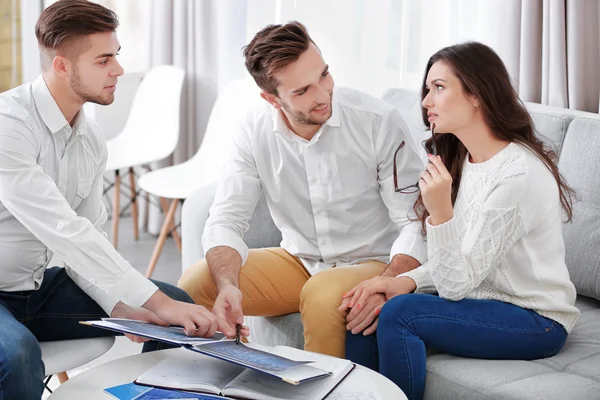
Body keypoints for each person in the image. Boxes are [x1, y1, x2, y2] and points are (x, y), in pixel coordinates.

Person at [0, 1, 233, 398]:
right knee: (17, 355)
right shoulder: (9, 126)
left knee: (175, 307)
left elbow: (90, 234)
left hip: (35, 289)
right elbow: (65, 231)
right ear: (62, 66)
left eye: (117, 56)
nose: (119, 70)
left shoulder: (89, 140)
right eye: (104, 60)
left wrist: (121, 304)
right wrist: (150, 298)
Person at [343, 41, 580, 400]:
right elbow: (463, 260)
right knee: (368, 306)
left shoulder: (517, 176)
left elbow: (456, 284)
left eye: (439, 88)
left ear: (476, 94)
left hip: (537, 320)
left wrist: (440, 211)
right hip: (482, 300)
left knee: (400, 314)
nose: (426, 102)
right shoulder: (467, 159)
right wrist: (402, 281)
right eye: (427, 89)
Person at [178, 21, 426, 358]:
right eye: (302, 91)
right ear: (272, 99)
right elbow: (226, 218)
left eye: (324, 75)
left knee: (323, 294)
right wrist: (228, 285)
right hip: (301, 260)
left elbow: (415, 220)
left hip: (375, 261)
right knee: (195, 284)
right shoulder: (253, 129)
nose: (323, 95)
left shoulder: (378, 121)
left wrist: (392, 280)